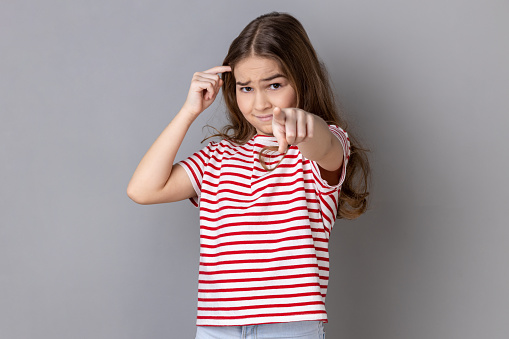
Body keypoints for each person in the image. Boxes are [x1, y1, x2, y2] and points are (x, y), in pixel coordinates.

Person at [127, 11, 370, 339]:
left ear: (301, 80)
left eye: (274, 85)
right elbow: (142, 190)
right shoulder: (216, 158)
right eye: (246, 88)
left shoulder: (320, 147)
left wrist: (305, 124)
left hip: (290, 326)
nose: (260, 103)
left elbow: (322, 143)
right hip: (217, 327)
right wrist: (189, 111)